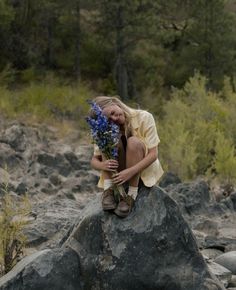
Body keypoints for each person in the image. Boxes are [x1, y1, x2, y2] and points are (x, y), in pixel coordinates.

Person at [90, 96, 164, 217]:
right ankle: (108, 191)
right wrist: (103, 165)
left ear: (115, 103)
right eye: (110, 119)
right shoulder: (104, 128)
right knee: (107, 138)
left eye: (113, 112)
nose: (115, 118)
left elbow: (153, 154)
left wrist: (130, 172)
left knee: (133, 142)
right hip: (118, 172)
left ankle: (131, 195)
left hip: (142, 170)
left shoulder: (144, 117)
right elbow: (94, 160)